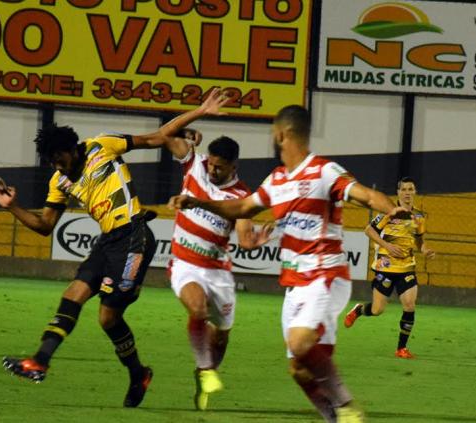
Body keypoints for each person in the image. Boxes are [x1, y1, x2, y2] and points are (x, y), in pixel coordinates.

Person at [0, 89, 230, 408]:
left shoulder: (102, 145)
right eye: (50, 161)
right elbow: (45, 226)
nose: (56, 165)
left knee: (107, 318)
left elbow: (156, 137)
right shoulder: (58, 182)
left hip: (134, 237)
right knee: (73, 295)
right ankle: (40, 361)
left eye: (58, 157)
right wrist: (13, 207)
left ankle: (138, 374)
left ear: (72, 149)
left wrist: (198, 112)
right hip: (107, 242)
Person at [169, 105, 406, 422]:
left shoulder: (324, 171)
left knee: (299, 343)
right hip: (295, 284)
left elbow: (364, 195)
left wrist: (390, 209)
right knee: (299, 369)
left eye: (274, 135)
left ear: (283, 135)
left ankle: (347, 406)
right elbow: (242, 207)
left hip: (325, 273)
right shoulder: (277, 179)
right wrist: (196, 201)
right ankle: (334, 417)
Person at [157, 125, 272, 409]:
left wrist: (253, 242)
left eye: (220, 167)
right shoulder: (194, 164)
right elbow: (165, 135)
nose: (212, 170)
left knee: (221, 336)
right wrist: (186, 128)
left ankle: (203, 374)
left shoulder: (242, 197)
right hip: (185, 264)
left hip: (218, 272)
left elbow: (244, 239)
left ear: (234, 166)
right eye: (211, 163)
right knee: (197, 308)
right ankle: (206, 369)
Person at [344, 177, 435, 359]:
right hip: (385, 267)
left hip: (407, 267)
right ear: (399, 192)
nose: (408, 193)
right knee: (377, 310)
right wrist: (387, 244)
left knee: (409, 305)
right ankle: (359, 310)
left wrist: (424, 250)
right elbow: (368, 230)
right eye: (404, 189)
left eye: (411, 189)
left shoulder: (418, 217)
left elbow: (419, 241)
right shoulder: (389, 212)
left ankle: (401, 348)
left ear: (415, 192)